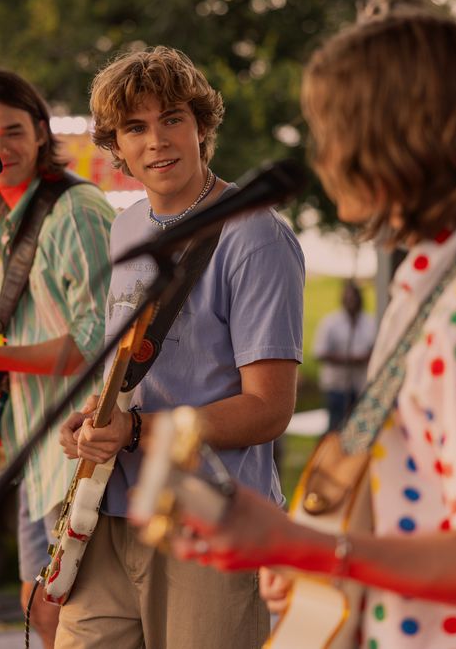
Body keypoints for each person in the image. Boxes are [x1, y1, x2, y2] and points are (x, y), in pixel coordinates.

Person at [170, 9, 456, 649]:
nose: (322, 157)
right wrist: (323, 559)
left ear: (390, 135)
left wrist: (313, 547)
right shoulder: (446, 278)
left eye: (331, 131)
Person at [56, 46, 305, 649]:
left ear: (201, 126)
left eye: (172, 118)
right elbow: (134, 370)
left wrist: (139, 430)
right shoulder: (127, 225)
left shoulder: (255, 236)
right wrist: (94, 420)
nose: (157, 141)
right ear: (115, 147)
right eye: (135, 128)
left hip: (209, 518)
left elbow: (269, 408)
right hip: (109, 508)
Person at [0, 69, 115, 649]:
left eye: (12, 131)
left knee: (72, 625)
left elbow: (96, 344)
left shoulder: (75, 211)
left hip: (79, 458)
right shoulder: (14, 218)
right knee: (43, 616)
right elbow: (41, 350)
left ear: (39, 132)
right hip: (39, 456)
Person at [312, 279, 376, 432]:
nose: (351, 301)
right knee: (335, 428)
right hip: (337, 385)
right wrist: (348, 360)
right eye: (348, 298)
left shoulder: (369, 321)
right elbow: (319, 352)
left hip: (360, 385)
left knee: (358, 429)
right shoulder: (331, 322)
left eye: (354, 297)